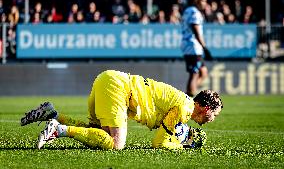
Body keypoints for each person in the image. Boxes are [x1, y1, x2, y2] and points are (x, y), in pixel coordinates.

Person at [20, 70, 223, 150]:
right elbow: (159, 143)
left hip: (106, 79)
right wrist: (184, 146)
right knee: (116, 144)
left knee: (96, 133)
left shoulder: (184, 104)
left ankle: (52, 115)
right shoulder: (184, 109)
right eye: (214, 114)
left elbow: (166, 132)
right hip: (119, 89)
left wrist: (178, 136)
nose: (213, 118)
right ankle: (58, 130)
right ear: (206, 108)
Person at [180, 0, 213, 97]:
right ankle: (187, 98)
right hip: (193, 46)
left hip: (189, 45)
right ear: (196, 1)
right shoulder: (195, 13)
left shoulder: (187, 11)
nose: (205, 3)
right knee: (194, 74)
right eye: (203, 0)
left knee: (203, 73)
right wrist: (205, 48)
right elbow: (197, 31)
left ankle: (188, 94)